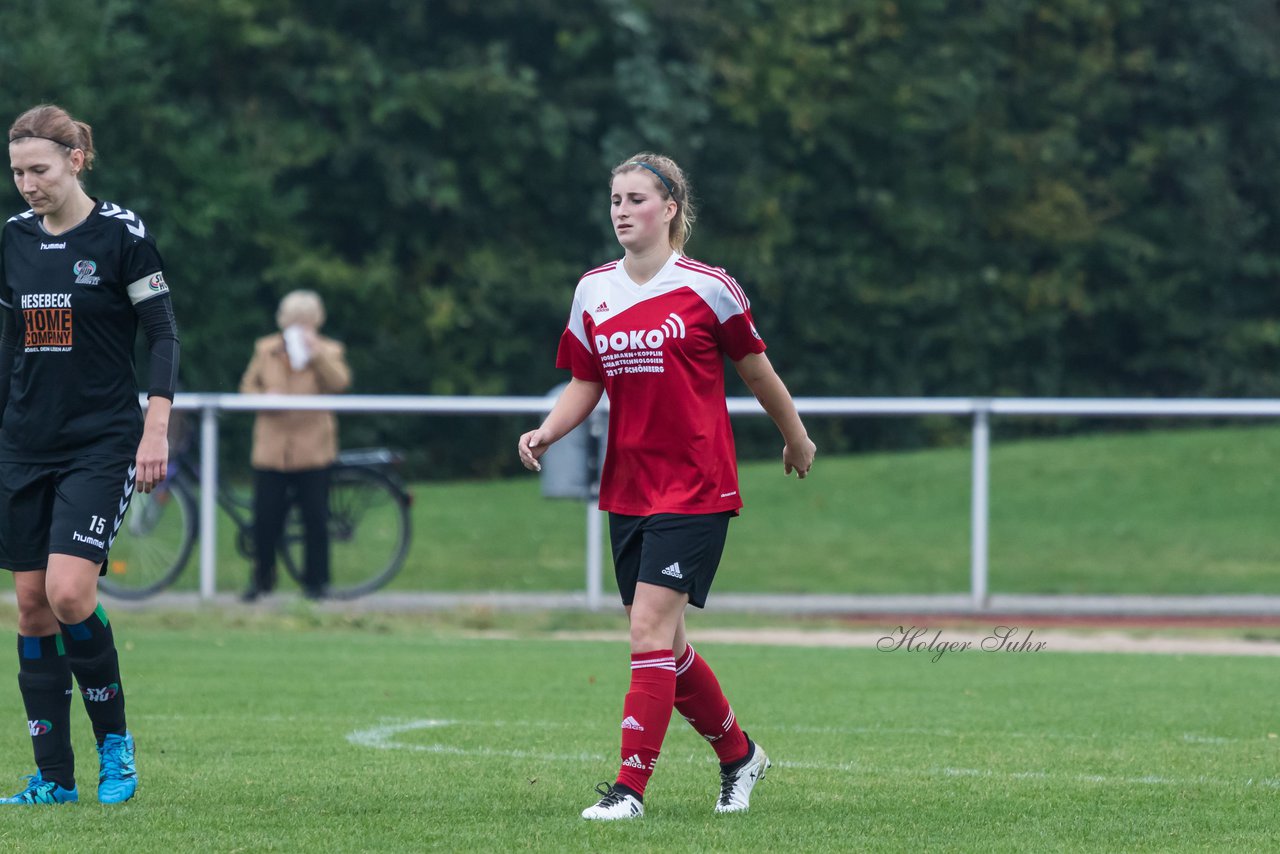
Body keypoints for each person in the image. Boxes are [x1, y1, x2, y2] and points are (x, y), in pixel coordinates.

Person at [518, 152, 816, 820]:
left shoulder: (710, 287)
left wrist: (795, 435)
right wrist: (547, 431)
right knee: (667, 646)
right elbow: (585, 381)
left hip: (696, 484)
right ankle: (740, 756)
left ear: (670, 209)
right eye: (615, 200)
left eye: (636, 199)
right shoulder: (593, 289)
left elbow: (758, 371)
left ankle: (628, 791)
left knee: (648, 632)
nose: (622, 211)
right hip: (628, 487)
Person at [0, 104, 180, 805]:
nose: (27, 184)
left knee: (70, 594)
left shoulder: (121, 237)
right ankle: (53, 777)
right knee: (31, 609)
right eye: (17, 172)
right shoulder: (11, 241)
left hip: (101, 443)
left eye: (39, 169)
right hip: (24, 444)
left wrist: (154, 427)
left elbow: (162, 334)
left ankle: (117, 750)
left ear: (77, 160)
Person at [238, 290, 351, 601]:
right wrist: (264, 399)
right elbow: (247, 388)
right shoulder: (265, 349)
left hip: (313, 449)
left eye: (306, 323)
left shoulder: (329, 350)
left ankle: (316, 582)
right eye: (294, 322)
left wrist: (317, 356)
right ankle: (262, 579)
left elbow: (340, 384)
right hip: (272, 449)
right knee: (265, 518)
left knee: (315, 518)